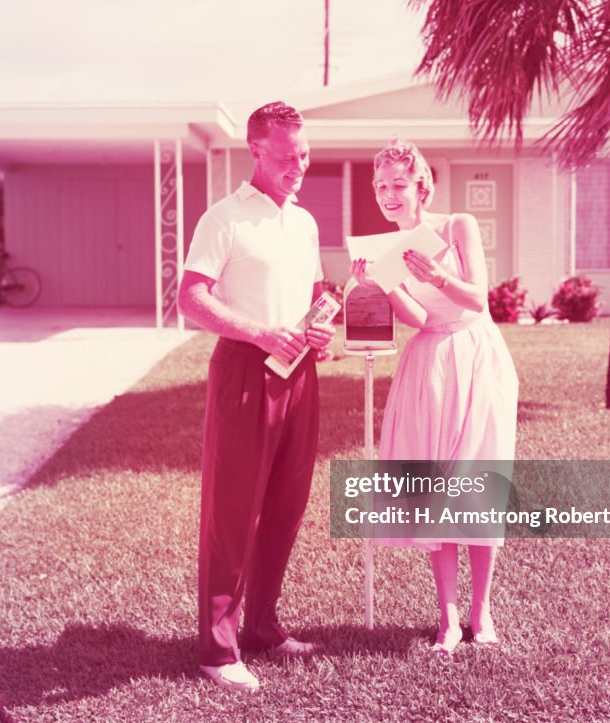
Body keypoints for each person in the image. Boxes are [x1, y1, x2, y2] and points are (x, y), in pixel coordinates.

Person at [178, 101, 335, 693]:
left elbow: (317, 292)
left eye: (305, 154)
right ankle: (218, 651)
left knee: (287, 503)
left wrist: (319, 329)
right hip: (245, 371)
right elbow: (192, 298)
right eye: (288, 155)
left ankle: (264, 627)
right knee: (233, 511)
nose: (300, 165)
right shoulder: (224, 219)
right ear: (257, 151)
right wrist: (259, 331)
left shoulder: (305, 222)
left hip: (300, 373)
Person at [351, 139, 518, 655]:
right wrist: (380, 284)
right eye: (380, 186)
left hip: (475, 353)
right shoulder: (384, 247)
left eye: (398, 184)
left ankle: (481, 613)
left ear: (421, 185)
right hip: (428, 361)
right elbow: (420, 318)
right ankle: (447, 620)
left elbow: (478, 298)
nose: (389, 195)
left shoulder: (457, 226)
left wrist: (438, 274)